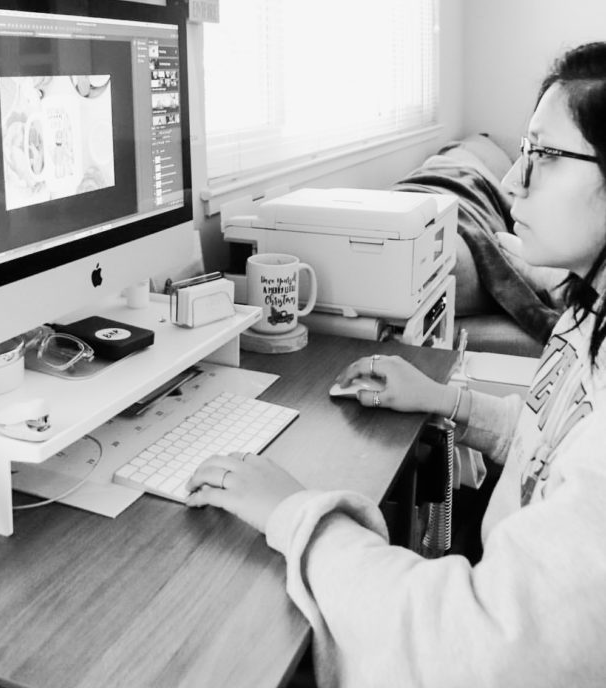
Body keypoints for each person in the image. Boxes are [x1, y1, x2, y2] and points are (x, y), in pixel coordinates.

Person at [186, 41, 606, 688]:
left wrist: (294, 511)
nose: (514, 179)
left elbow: (471, 648)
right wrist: (448, 403)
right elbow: (550, 436)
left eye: (545, 156)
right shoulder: (589, 312)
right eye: (523, 150)